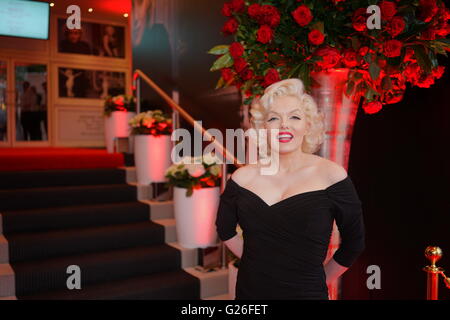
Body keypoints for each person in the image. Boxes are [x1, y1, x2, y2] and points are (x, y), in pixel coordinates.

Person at [215, 78, 365, 300]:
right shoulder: (242, 178)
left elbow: (354, 243)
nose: (284, 124)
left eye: (294, 117)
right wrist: (257, 265)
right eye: (274, 118)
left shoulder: (331, 176)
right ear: (263, 128)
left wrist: (317, 279)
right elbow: (224, 229)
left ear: (308, 125)